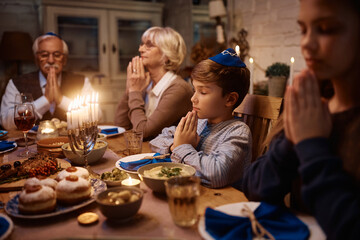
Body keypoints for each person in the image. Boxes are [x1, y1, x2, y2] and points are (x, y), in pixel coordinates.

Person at [242, 0, 360, 239]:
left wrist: (312, 145)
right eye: (303, 29)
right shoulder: (311, 104)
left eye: (325, 29)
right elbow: (255, 187)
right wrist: (291, 142)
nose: (306, 42)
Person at [150, 48, 252, 189]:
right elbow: (157, 141)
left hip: (222, 202)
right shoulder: (198, 122)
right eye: (194, 90)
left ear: (230, 99)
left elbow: (216, 173)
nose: (193, 99)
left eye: (203, 92)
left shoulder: (238, 132)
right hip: (192, 193)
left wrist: (182, 147)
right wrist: (174, 146)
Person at [0, 32, 94, 130]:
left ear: (64, 59)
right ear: (36, 59)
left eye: (57, 55)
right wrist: (45, 101)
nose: (51, 60)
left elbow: (95, 116)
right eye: (44, 55)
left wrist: (61, 100)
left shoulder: (81, 81)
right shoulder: (16, 83)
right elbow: (6, 123)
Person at [114, 27, 193, 140]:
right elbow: (120, 126)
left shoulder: (178, 88)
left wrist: (135, 91)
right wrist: (129, 90)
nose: (140, 49)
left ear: (166, 54)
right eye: (142, 44)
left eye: (149, 45)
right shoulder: (145, 83)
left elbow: (143, 132)